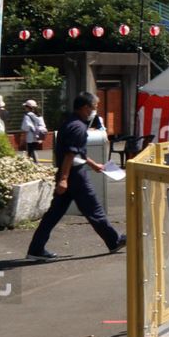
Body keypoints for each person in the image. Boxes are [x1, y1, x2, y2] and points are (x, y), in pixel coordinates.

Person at [26, 92, 125, 260]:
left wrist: (93, 164)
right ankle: (114, 240)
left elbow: (76, 152)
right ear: (85, 108)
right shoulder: (79, 127)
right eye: (94, 107)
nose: (95, 110)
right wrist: (64, 179)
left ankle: (36, 248)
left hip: (69, 174)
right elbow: (70, 155)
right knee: (94, 209)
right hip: (75, 176)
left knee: (54, 214)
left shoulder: (71, 123)